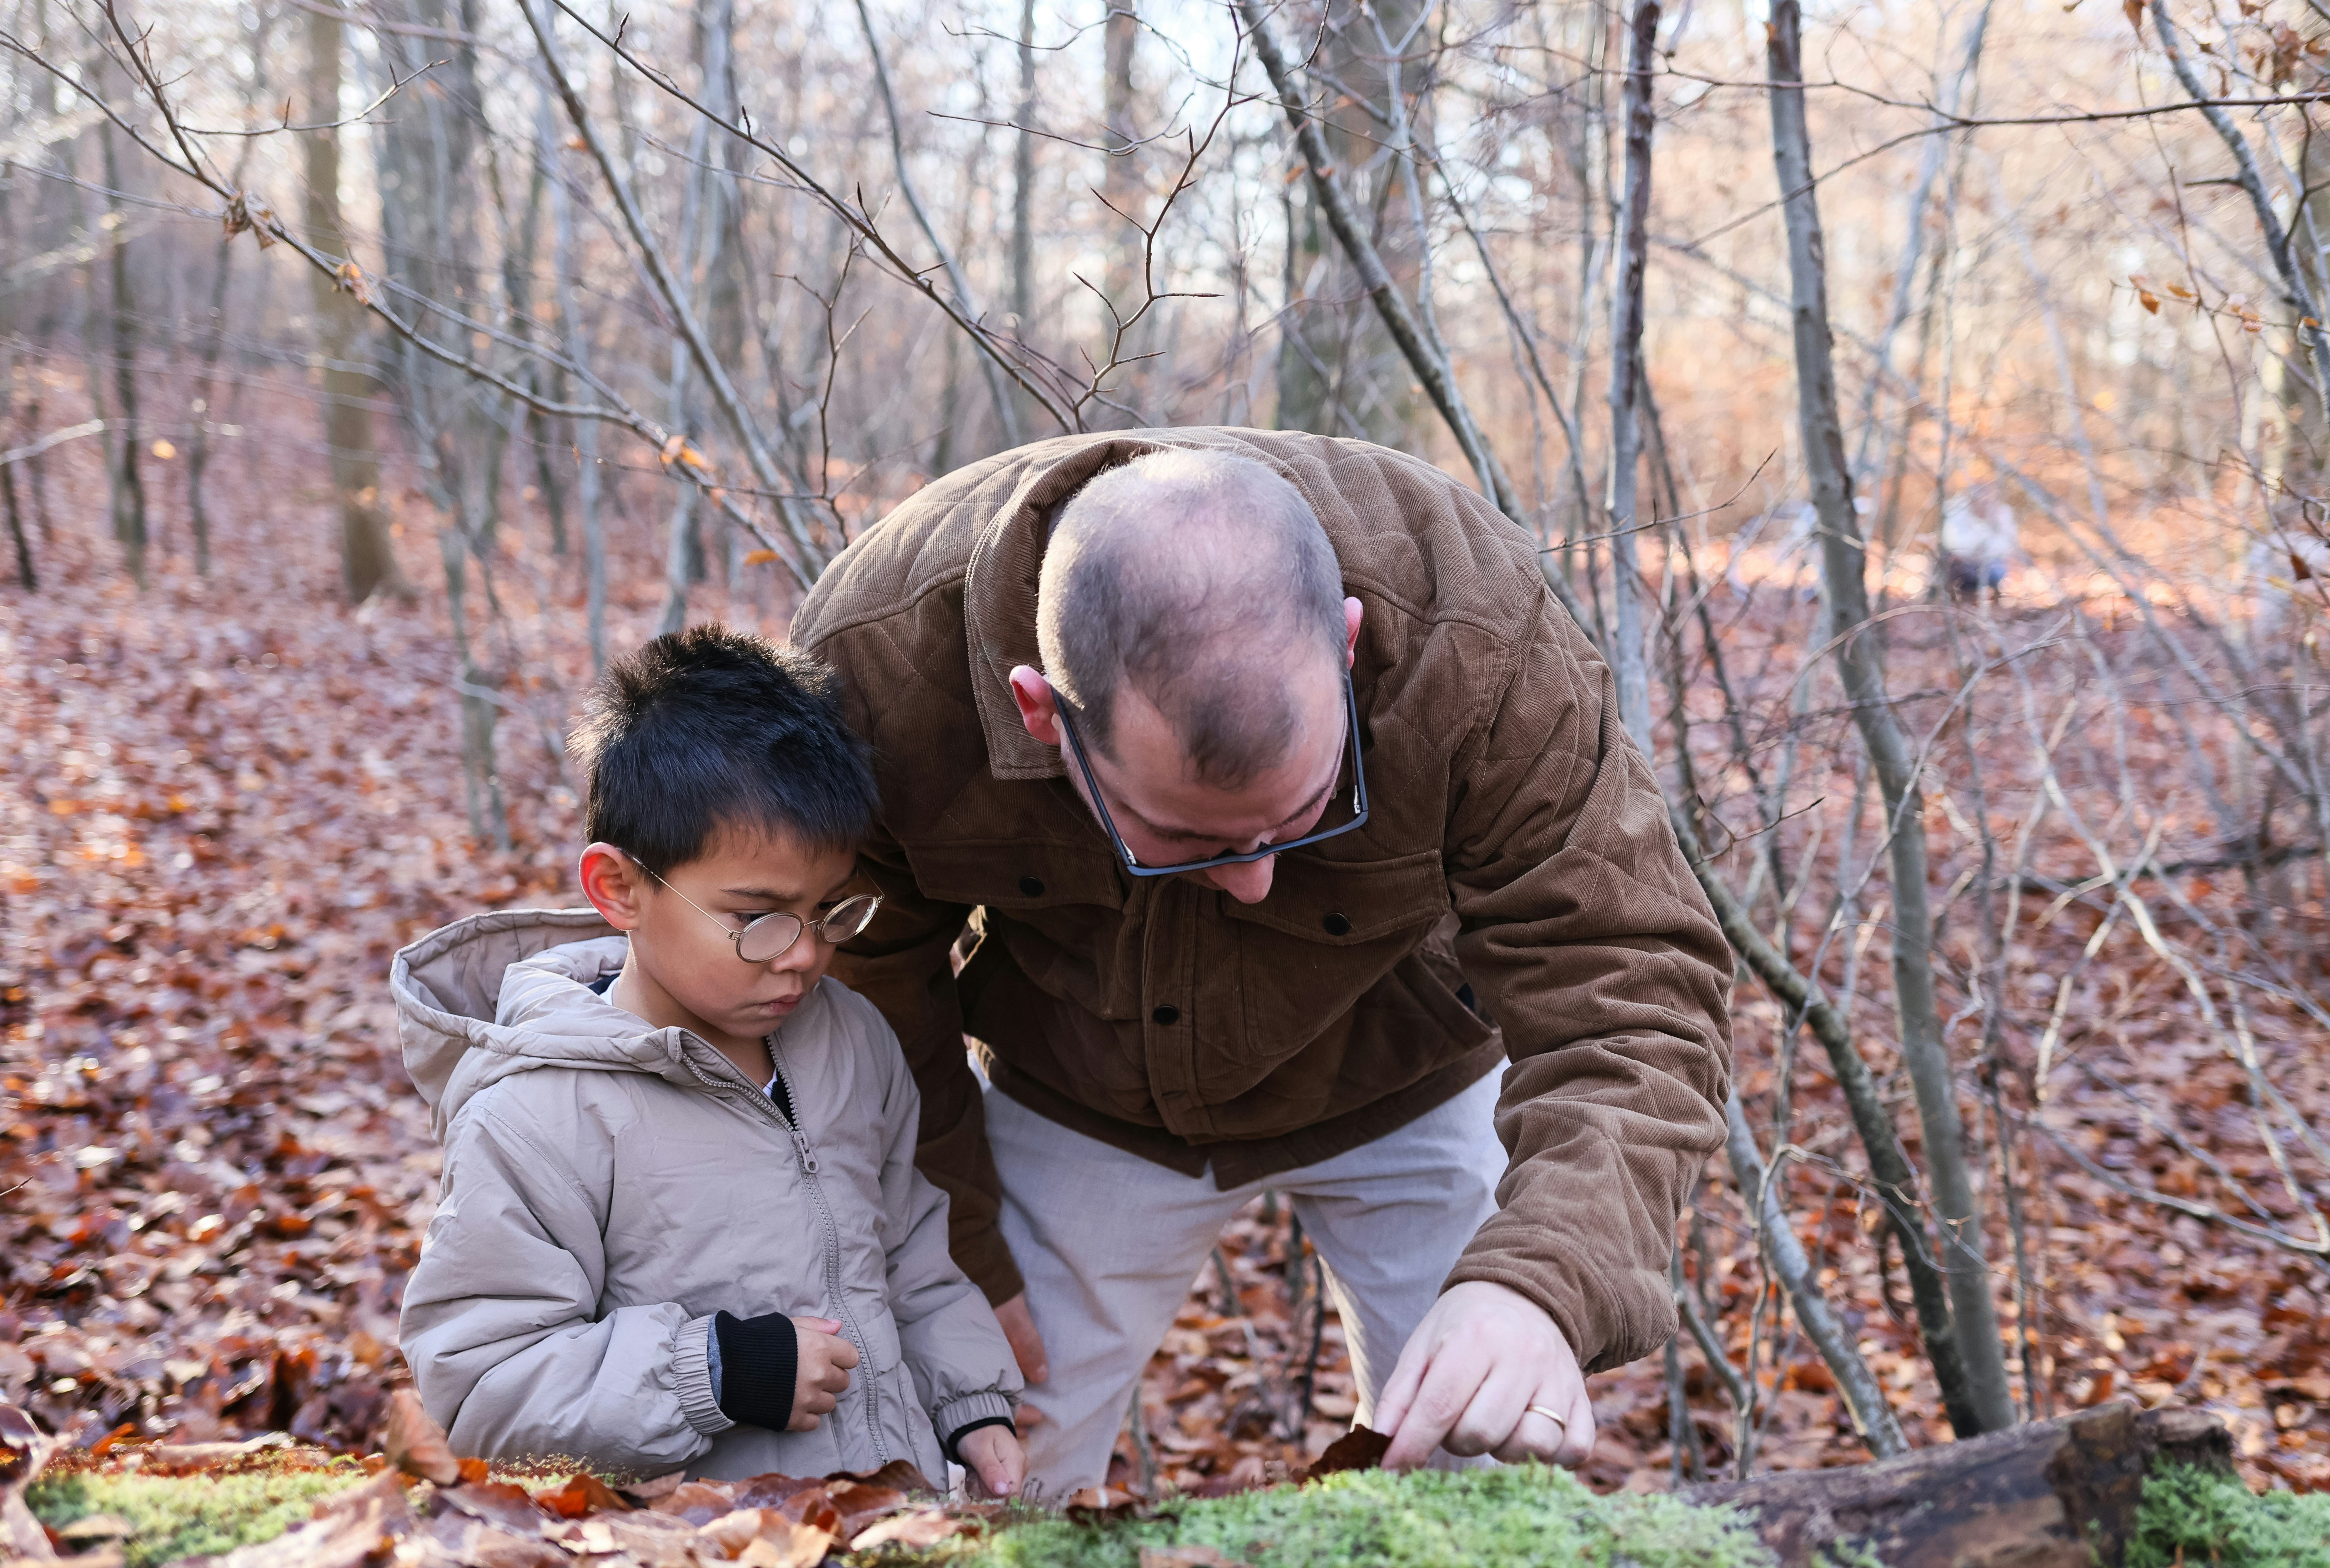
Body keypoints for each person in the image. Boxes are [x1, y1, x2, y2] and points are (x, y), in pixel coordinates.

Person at [793, 432, 1735, 1501]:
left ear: (1345, 644)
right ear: (1043, 713)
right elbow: (857, 986)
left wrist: (1541, 1282)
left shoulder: (1471, 633)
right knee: (980, 1472)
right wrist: (951, 1241)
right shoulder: (877, 664)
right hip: (1079, 1087)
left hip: (1407, 1063)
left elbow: (1631, 979)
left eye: (1302, 816)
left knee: (1480, 1473)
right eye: (1184, 839)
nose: (1250, 882)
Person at [393, 624, 1025, 1493]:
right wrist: (717, 1371)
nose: (802, 952)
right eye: (757, 914)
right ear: (619, 887)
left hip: (898, 1520)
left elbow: (909, 1247)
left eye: (829, 909)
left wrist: (969, 1404)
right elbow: (482, 1382)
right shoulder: (540, 1115)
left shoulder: (851, 1041)